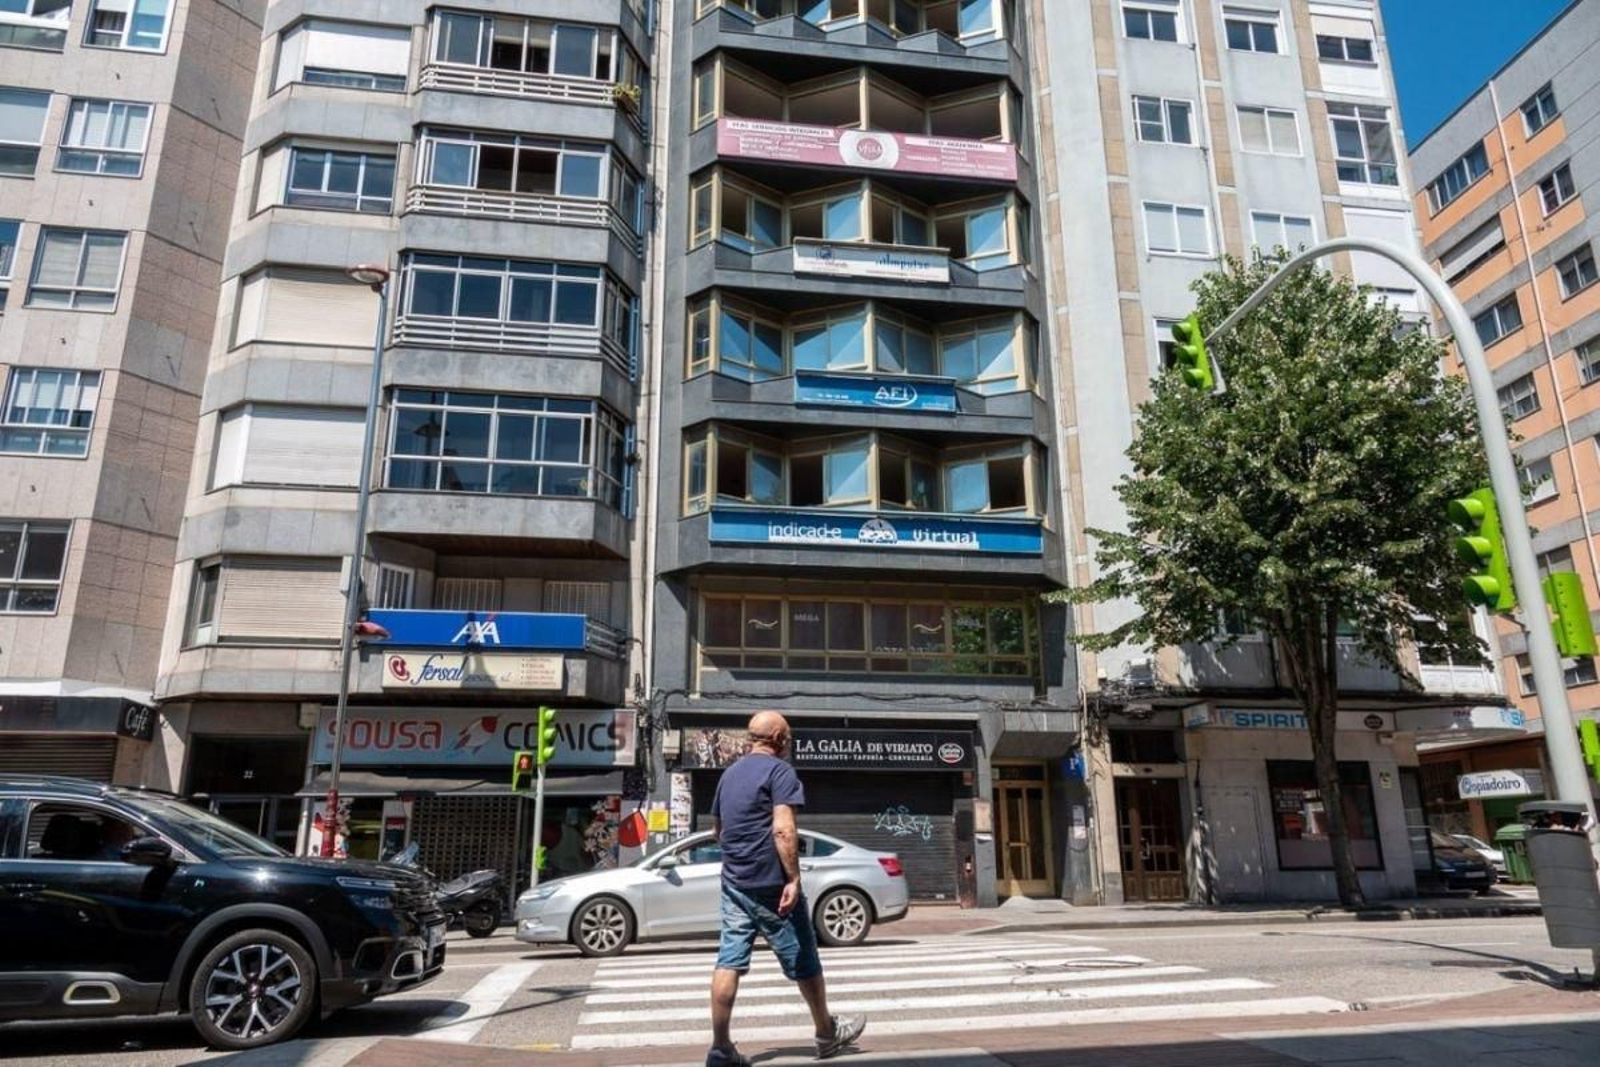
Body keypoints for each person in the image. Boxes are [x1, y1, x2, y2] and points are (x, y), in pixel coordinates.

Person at [706, 711, 864, 1066]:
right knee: (805, 958)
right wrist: (792, 878)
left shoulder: (728, 775)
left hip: (734, 882)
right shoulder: (780, 772)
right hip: (772, 884)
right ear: (777, 738)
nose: (788, 743)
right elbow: (783, 830)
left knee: (728, 961)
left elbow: (718, 831)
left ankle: (720, 1048)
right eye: (787, 737)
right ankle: (826, 1034)